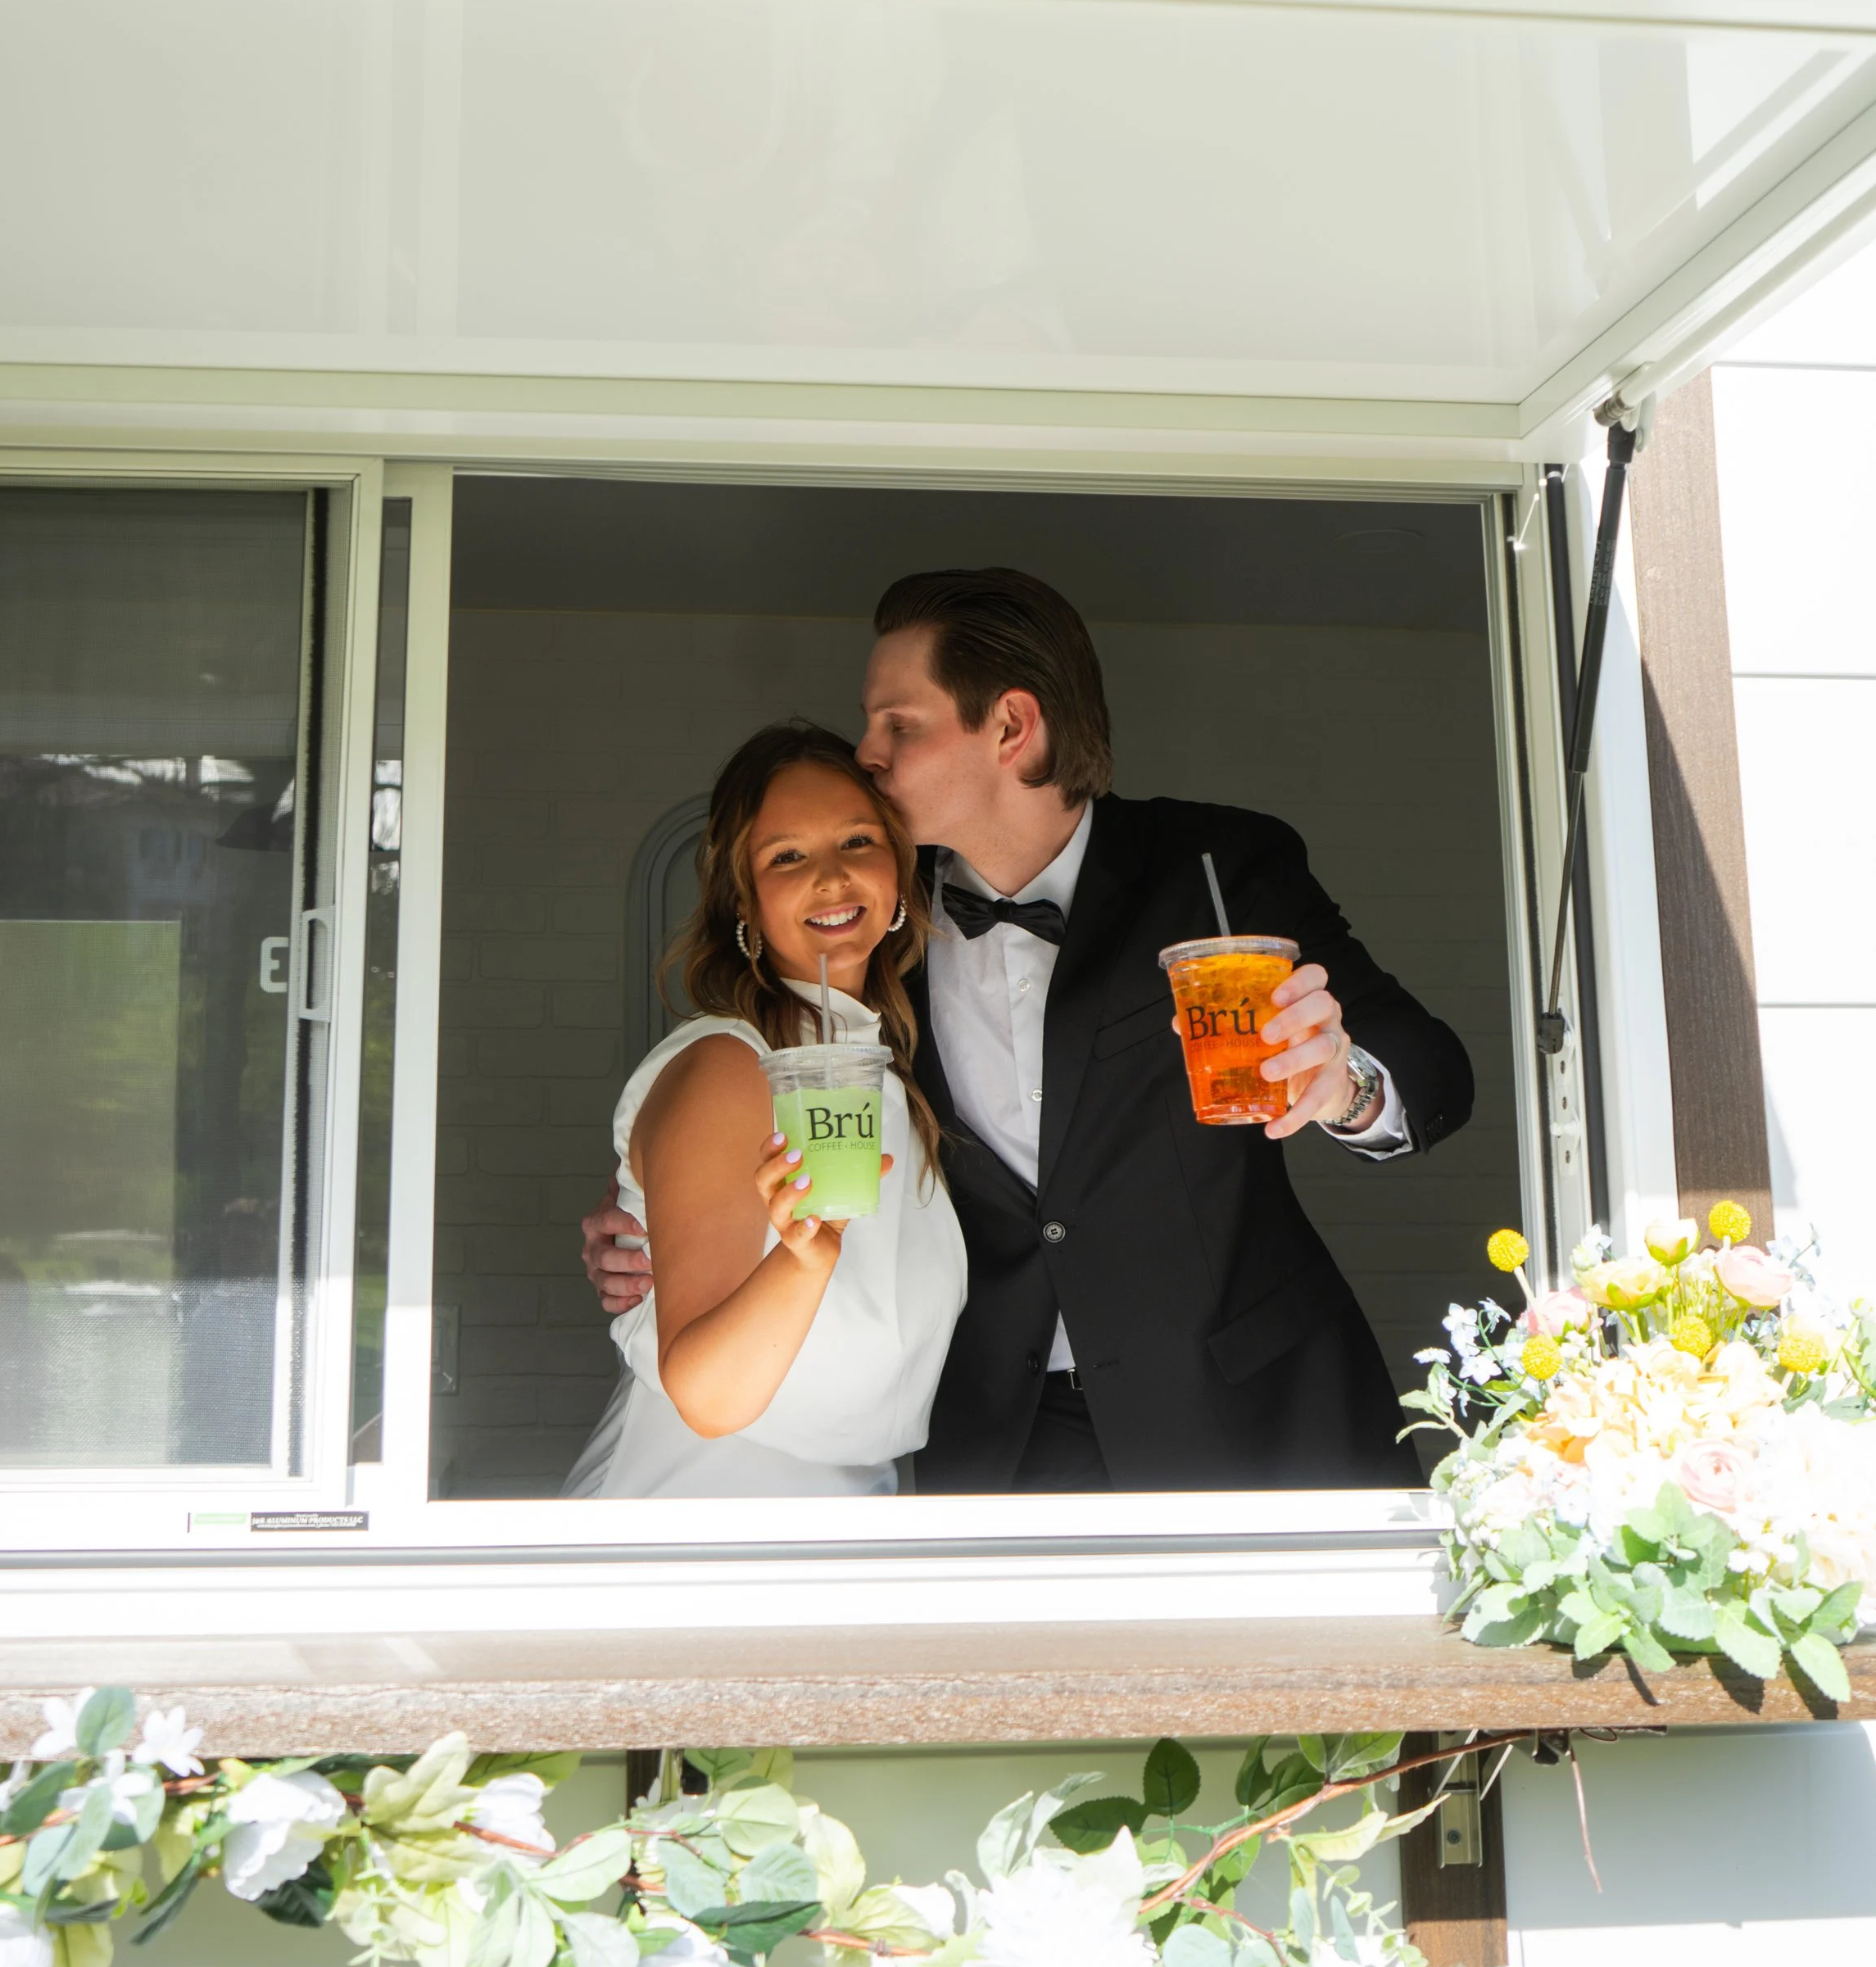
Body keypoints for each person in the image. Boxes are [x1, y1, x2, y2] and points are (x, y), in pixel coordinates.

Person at [585, 568, 1474, 1495]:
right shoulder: (879, 924)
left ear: (1011, 727)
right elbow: (736, 1103)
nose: (869, 753)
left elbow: (1438, 1073)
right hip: (999, 1434)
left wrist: (1344, 1087)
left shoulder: (1215, 870)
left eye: (898, 724)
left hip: (1250, 1410)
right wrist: (653, 1219)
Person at [564, 721, 967, 1498]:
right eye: (787, 856)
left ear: (898, 874)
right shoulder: (729, 1066)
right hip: (706, 1510)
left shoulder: (891, 1069)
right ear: (742, 900)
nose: (831, 877)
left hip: (856, 1511)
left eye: (857, 841)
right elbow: (709, 1395)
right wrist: (803, 1259)